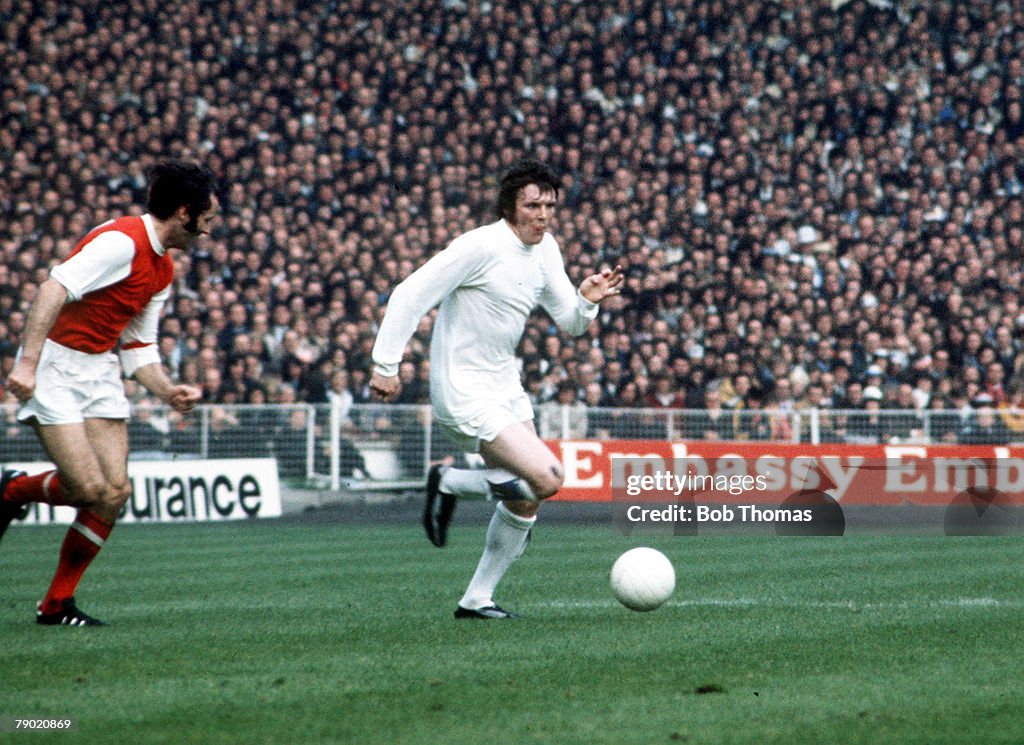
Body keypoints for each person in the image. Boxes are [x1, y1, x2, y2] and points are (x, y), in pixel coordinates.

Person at [369, 158, 623, 619]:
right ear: (510, 207)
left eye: (549, 205)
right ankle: (447, 482)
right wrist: (386, 363)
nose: (543, 215)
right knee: (548, 479)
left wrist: (586, 300)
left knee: (525, 500)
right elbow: (410, 293)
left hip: (505, 385)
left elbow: (569, 323)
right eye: (533, 205)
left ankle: (476, 600)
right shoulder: (479, 246)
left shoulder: (547, 250)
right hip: (463, 388)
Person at [0, 160, 218, 626]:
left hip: (99, 368)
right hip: (57, 362)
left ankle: (56, 603)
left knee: (114, 492)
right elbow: (52, 289)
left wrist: (168, 391)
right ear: (185, 213)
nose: (209, 229)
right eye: (208, 218)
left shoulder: (163, 268)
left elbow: (139, 349)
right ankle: (12, 490)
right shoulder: (123, 241)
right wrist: (27, 363)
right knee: (86, 488)